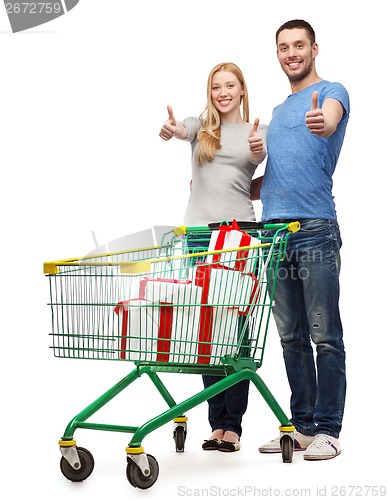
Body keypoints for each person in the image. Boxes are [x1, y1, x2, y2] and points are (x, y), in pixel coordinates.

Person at [252, 20, 350, 460]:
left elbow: (327, 123)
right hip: (273, 234)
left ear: (314, 48)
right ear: (278, 54)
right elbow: (274, 177)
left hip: (314, 229)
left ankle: (328, 429)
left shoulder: (332, 93)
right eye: (283, 47)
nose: (291, 53)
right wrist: (223, 182)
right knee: (290, 337)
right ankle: (303, 426)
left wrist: (321, 122)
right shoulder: (277, 111)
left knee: (324, 334)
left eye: (298, 45)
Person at [159, 62, 267, 452]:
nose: (223, 92)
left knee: (233, 327)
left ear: (242, 90)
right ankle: (215, 424)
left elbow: (265, 171)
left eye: (230, 86)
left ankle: (232, 426)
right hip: (200, 235)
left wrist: (259, 150)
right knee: (207, 329)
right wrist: (172, 130)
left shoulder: (258, 133)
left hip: (239, 235)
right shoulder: (200, 127)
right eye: (216, 86)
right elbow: (180, 130)